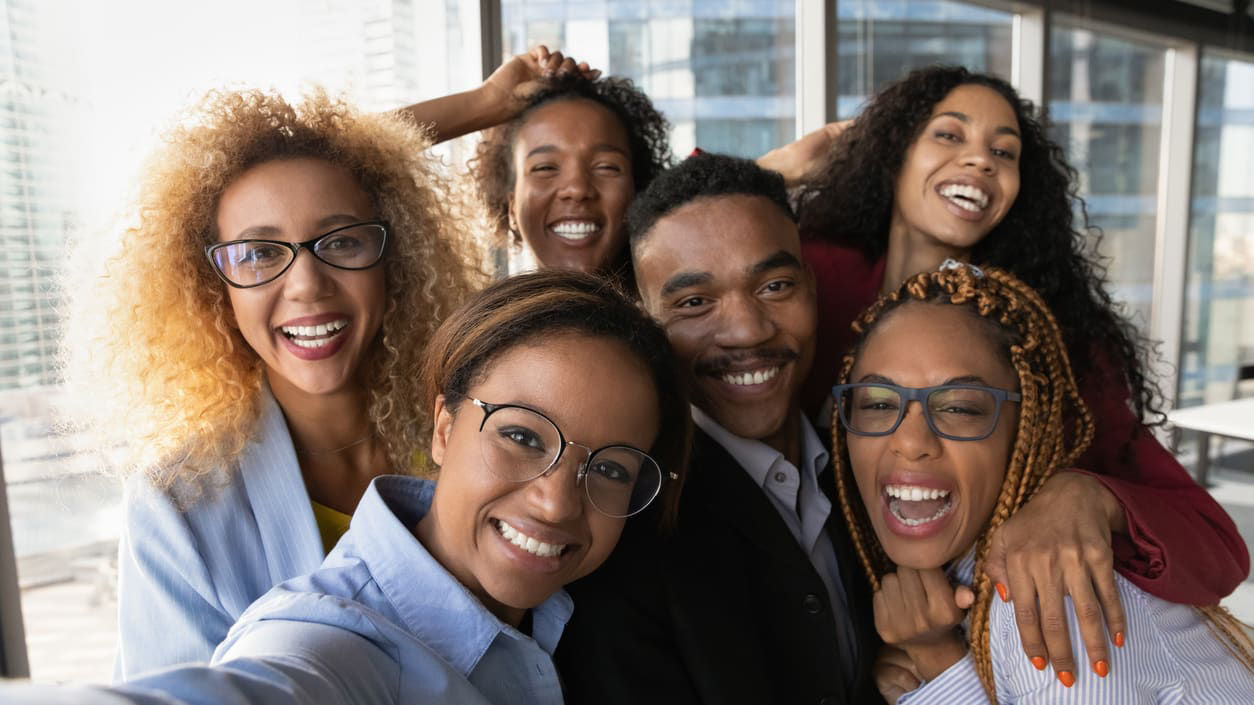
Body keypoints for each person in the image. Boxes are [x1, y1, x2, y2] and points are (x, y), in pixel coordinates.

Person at [13, 270, 688, 705]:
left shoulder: (575, 612)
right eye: (522, 436)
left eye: (608, 468)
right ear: (445, 429)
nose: (556, 500)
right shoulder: (337, 642)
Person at [795, 65, 1247, 677]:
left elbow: (1215, 545)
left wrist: (1090, 496)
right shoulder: (811, 278)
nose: (980, 160)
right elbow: (671, 255)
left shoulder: (1045, 347)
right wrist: (785, 167)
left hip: (961, 644)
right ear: (892, 154)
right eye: (949, 135)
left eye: (1003, 152)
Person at [59, 89, 480, 677]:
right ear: (215, 289)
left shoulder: (474, 433)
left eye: (341, 241)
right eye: (258, 252)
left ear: (396, 260)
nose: (307, 284)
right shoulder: (177, 504)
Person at [831, 261, 1254, 703]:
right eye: (877, 403)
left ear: (1025, 428)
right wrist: (937, 660)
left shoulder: (1052, 599)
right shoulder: (969, 575)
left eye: (959, 408)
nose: (911, 441)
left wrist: (940, 670)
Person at [557, 153, 883, 705]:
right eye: (695, 302)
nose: (746, 330)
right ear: (645, 320)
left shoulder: (874, 463)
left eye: (775, 286)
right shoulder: (623, 531)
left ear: (812, 287)